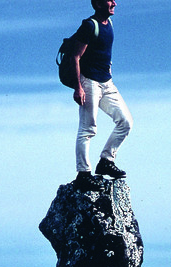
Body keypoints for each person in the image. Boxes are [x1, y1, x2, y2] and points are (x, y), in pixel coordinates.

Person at [72, 0, 133, 191]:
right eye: (110, 0)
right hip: (89, 83)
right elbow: (75, 56)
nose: (115, 3)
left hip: (107, 83)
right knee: (88, 129)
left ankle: (106, 161)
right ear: (98, 4)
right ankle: (83, 174)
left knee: (126, 122)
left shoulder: (109, 24)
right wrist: (78, 87)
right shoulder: (89, 25)